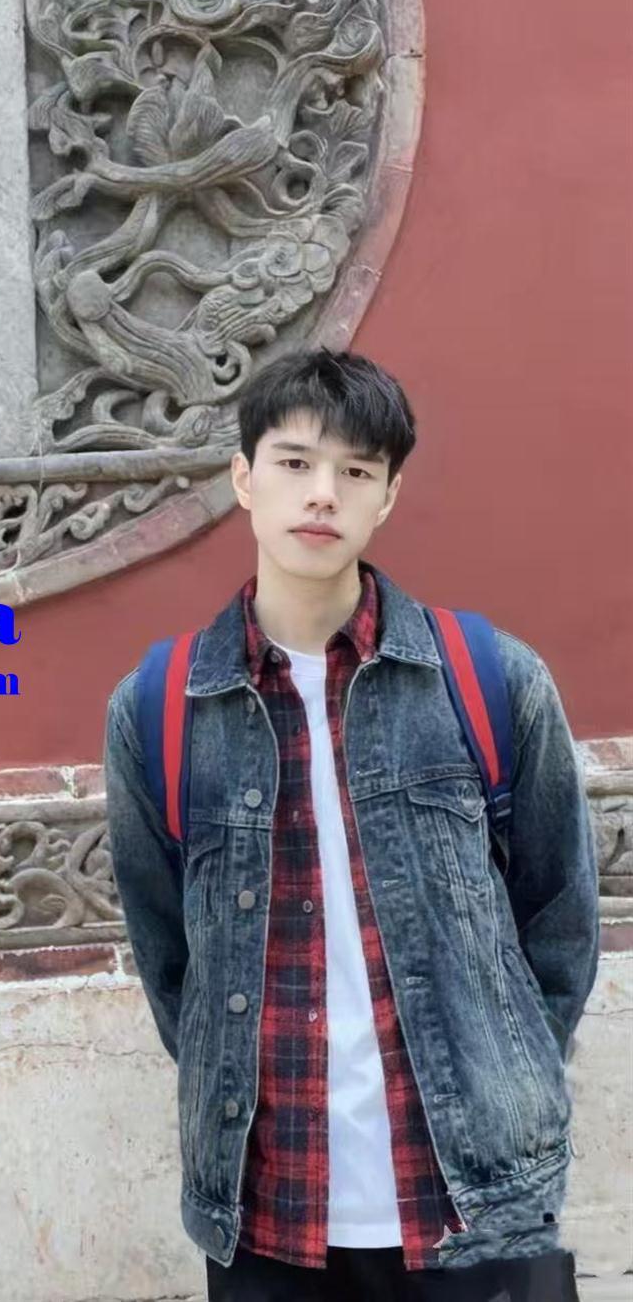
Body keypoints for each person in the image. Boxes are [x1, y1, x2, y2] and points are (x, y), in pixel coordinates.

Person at [102, 349, 600, 1301]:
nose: (322, 493)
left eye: (356, 470)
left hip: (479, 1199)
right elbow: (169, 959)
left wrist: (510, 1071)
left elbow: (561, 920)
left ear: (388, 496)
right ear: (243, 477)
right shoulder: (160, 708)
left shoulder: (491, 678)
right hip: (266, 1213)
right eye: (294, 462)